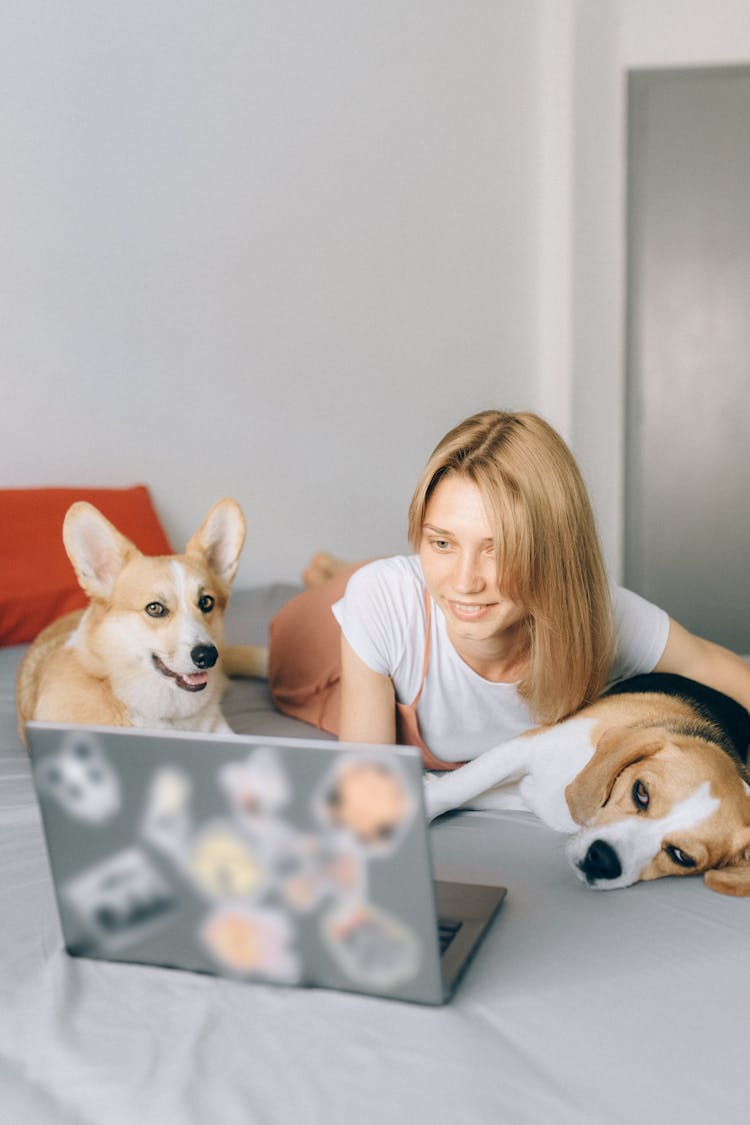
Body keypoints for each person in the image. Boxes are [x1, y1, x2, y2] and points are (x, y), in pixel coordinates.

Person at [267, 409, 750, 770]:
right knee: (352, 600)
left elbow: (716, 667)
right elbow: (365, 797)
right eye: (441, 541)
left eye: (497, 549)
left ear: (555, 552)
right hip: (316, 653)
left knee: (437, 589)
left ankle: (350, 566)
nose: (466, 578)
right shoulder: (381, 601)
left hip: (405, 600)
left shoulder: (596, 613)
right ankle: (338, 575)